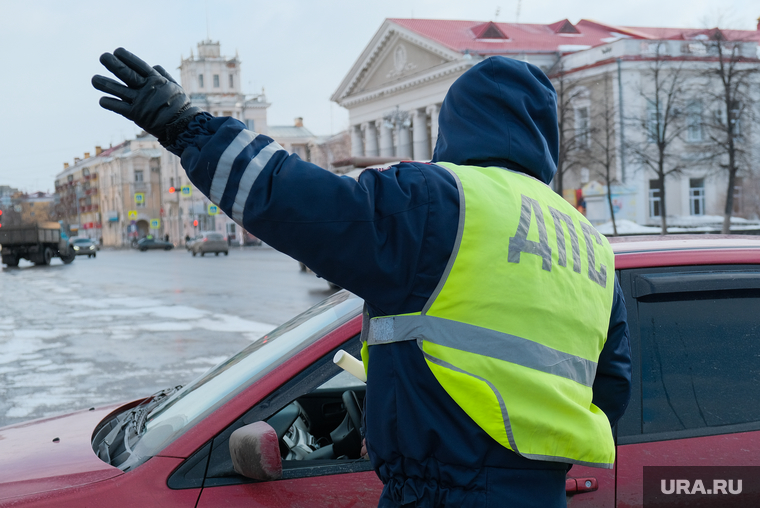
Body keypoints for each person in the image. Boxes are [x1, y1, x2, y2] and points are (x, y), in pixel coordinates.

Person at [93, 49, 631, 508]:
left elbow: (300, 201)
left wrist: (187, 127)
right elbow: (610, 386)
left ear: (456, 126)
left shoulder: (440, 201)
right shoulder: (589, 245)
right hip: (542, 491)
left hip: (445, 488)